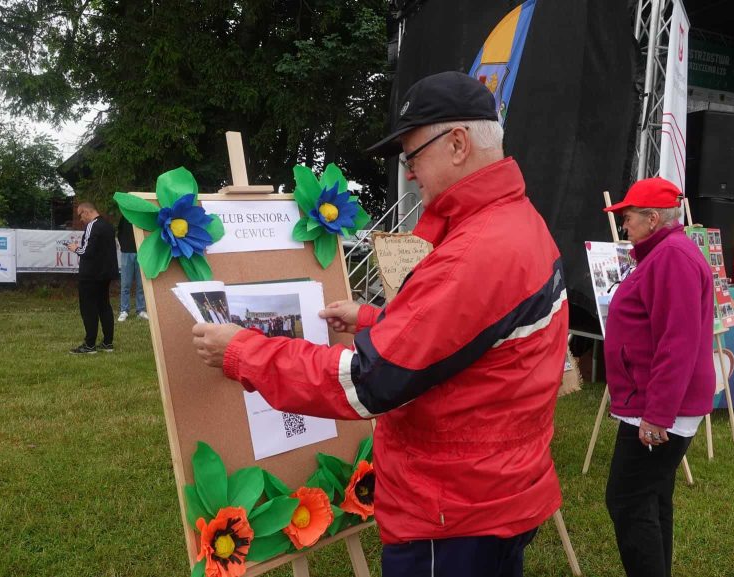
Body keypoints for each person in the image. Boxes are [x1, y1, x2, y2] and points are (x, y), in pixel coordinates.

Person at [191, 71, 569, 577]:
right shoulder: (516, 222)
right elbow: (470, 335)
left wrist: (243, 352)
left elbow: (370, 381)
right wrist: (374, 318)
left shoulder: (476, 252)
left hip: (452, 512)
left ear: (458, 144)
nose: (409, 174)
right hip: (496, 491)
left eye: (413, 156)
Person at [602, 177, 716, 577]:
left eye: (628, 216)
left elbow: (677, 342)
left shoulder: (671, 257)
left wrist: (657, 414)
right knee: (650, 499)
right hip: (654, 403)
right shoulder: (665, 253)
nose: (624, 225)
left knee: (628, 500)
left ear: (652, 218)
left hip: (656, 408)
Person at [68, 202, 118, 354]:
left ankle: (89, 345)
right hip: (105, 273)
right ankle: (108, 343)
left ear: (86, 212)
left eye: (80, 215)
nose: (80, 219)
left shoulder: (92, 225)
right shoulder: (108, 226)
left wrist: (75, 248)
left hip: (90, 274)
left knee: (88, 308)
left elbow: (87, 251)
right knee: (104, 306)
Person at [116, 215, 148, 322]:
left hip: (142, 252)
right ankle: (124, 310)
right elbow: (119, 232)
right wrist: (124, 246)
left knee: (141, 284)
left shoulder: (143, 216)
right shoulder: (125, 216)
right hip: (127, 252)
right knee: (125, 284)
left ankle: (141, 310)